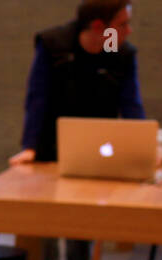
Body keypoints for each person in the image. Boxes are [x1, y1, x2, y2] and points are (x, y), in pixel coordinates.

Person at [10, 0, 144, 166]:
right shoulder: (54, 45)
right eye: (122, 25)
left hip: (99, 148)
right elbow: (38, 98)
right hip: (51, 146)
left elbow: (130, 103)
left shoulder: (119, 53)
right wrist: (30, 147)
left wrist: (143, 148)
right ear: (98, 26)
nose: (129, 31)